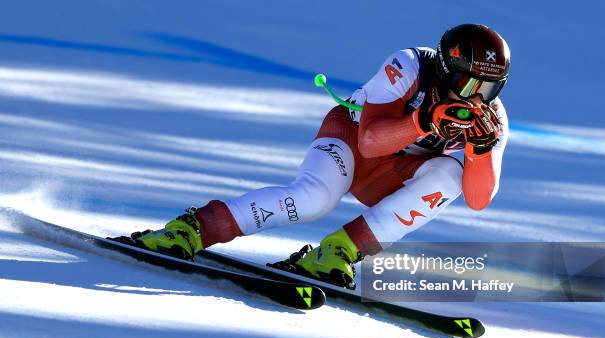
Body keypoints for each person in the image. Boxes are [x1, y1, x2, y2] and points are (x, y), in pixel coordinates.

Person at [116, 23, 511, 289]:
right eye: (467, 82)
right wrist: (424, 120)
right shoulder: (409, 65)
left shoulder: (493, 118)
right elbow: (372, 140)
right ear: (445, 70)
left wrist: (480, 149)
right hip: (354, 142)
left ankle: (338, 251)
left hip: (396, 174)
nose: (476, 98)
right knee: (312, 199)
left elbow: (478, 200)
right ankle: (192, 228)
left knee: (451, 172)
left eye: (489, 89)